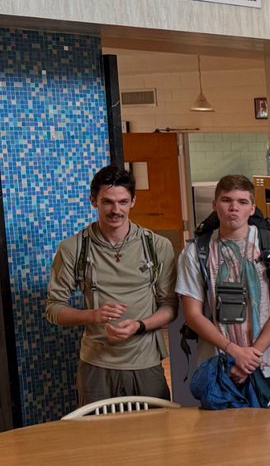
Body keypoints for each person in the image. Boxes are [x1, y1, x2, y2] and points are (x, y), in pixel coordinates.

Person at [46, 165, 177, 405]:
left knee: (154, 437)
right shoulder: (73, 248)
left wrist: (139, 325)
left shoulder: (157, 246)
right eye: (107, 202)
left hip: (146, 363)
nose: (116, 210)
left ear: (133, 202)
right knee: (99, 439)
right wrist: (92, 315)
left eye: (123, 202)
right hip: (96, 366)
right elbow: (54, 309)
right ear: (93, 200)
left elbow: (170, 306)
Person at [177, 174, 270, 397]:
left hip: (265, 363)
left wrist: (251, 356)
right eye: (226, 200)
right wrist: (234, 352)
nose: (234, 208)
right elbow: (192, 314)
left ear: (252, 208)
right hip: (216, 364)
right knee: (220, 430)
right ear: (214, 205)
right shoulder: (195, 252)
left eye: (242, 202)